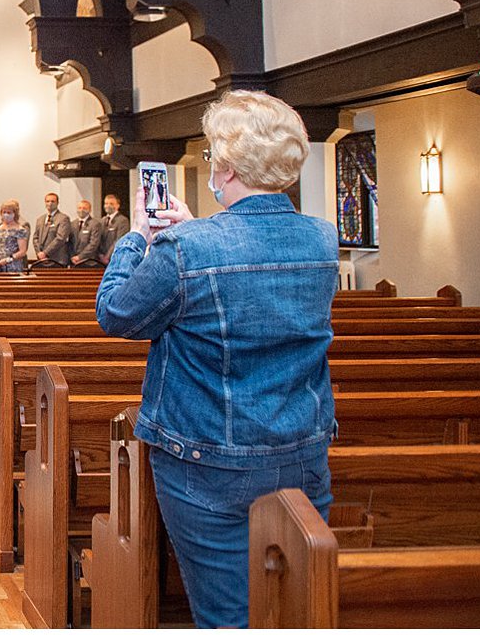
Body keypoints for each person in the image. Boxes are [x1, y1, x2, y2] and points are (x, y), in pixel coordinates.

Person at [95, 91, 337, 628]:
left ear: (225, 168)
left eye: (210, 157)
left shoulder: (187, 248)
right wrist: (188, 231)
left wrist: (140, 237)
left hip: (210, 460)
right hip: (301, 449)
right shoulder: (323, 239)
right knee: (293, 611)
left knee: (227, 616)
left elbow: (116, 313)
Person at [31, 191, 72, 267]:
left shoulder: (63, 218)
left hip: (57, 260)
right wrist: (39, 253)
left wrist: (45, 253)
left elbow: (60, 238)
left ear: (57, 203)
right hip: (41, 260)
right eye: (47, 201)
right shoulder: (40, 219)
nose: (50, 203)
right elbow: (35, 238)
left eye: (52, 201)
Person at [0, 199, 29, 273]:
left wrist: (8, 260)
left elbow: (22, 251)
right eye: (4, 212)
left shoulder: (20, 230)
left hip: (13, 265)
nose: (6, 215)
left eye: (9, 212)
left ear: (14, 214)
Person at [69, 199, 105, 267]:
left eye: (84, 208)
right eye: (79, 208)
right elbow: (69, 243)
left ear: (89, 210)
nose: (81, 210)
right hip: (73, 262)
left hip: (89, 262)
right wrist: (72, 257)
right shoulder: (72, 224)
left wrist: (80, 257)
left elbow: (94, 244)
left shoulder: (95, 224)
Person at [98, 193, 130, 263]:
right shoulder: (102, 220)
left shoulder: (123, 220)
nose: (108, 206)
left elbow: (119, 240)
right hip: (100, 259)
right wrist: (100, 255)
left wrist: (107, 256)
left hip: (115, 258)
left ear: (118, 205)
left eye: (111, 204)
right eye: (106, 203)